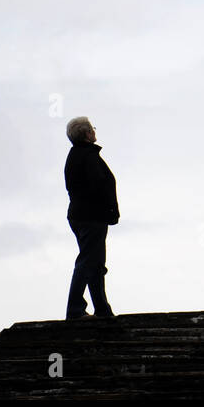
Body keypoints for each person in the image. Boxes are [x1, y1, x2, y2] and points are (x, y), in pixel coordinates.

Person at [63, 116, 119, 320]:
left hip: (83, 215)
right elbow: (98, 186)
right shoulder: (86, 156)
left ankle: (102, 309)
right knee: (88, 261)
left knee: (94, 263)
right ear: (87, 134)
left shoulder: (77, 155)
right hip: (91, 217)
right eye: (92, 129)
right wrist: (109, 211)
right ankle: (75, 309)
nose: (94, 131)